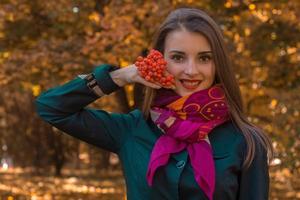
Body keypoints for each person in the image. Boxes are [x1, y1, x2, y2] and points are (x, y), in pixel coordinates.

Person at [35, 7, 273, 200]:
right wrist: (120, 76)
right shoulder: (131, 130)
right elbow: (51, 107)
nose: (191, 70)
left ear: (217, 64)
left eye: (204, 58)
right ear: (160, 59)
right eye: (178, 57)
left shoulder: (247, 142)